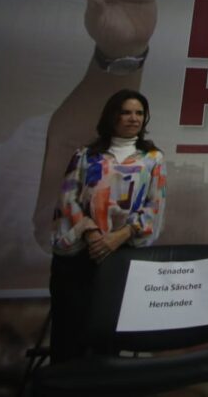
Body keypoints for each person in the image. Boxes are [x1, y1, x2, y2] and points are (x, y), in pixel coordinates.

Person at [49, 89, 166, 363]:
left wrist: (119, 236)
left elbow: (154, 205)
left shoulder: (152, 158)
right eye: (126, 112)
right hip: (79, 255)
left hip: (122, 254)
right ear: (112, 116)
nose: (133, 118)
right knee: (69, 333)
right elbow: (67, 198)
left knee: (109, 333)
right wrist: (91, 232)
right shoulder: (85, 155)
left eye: (139, 113)